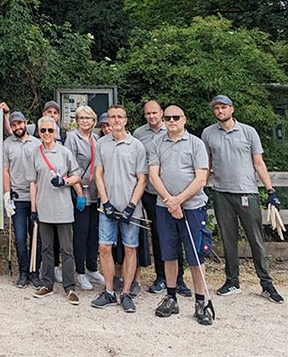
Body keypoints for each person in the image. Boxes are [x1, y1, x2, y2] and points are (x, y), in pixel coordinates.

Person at [201, 95, 284, 303]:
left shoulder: (248, 132)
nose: (220, 111)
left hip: (247, 192)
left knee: (255, 239)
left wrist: (270, 191)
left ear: (232, 109)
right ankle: (232, 281)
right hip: (221, 192)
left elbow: (258, 163)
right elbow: (206, 163)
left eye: (223, 107)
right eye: (216, 108)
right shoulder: (208, 133)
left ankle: (266, 283)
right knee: (228, 240)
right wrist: (202, 188)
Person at [148, 105, 214, 325]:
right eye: (167, 118)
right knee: (169, 254)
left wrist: (179, 200)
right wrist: (169, 200)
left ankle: (200, 302)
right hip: (164, 206)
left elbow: (201, 179)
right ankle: (170, 297)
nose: (171, 121)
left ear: (184, 119)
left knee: (195, 256)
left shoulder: (196, 144)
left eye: (176, 117)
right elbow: (153, 175)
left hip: (193, 207)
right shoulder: (157, 143)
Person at [90, 105, 147, 313]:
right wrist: (105, 202)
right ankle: (109, 291)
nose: (115, 120)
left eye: (119, 117)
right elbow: (99, 174)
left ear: (126, 120)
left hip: (130, 208)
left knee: (130, 248)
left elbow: (142, 179)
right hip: (108, 207)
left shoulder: (137, 146)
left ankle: (126, 293)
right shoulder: (102, 144)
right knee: (105, 247)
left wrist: (131, 206)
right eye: (111, 117)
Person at [133, 101, 190, 296]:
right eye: (148, 113)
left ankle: (179, 279)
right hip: (152, 194)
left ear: (162, 113)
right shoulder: (139, 134)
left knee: (179, 236)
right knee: (158, 236)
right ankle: (161, 277)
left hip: (176, 195)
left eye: (155, 113)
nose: (151, 116)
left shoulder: (173, 129)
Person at [26, 116, 82, 305]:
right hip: (44, 207)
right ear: (39, 132)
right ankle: (47, 284)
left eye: (50, 130)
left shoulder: (64, 152)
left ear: (56, 132)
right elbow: (32, 183)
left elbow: (77, 175)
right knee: (47, 248)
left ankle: (69, 287)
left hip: (63, 207)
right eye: (43, 131)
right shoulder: (35, 153)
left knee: (66, 249)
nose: (47, 134)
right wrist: (33, 209)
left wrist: (64, 182)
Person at [64, 105, 106, 291]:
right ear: (77, 120)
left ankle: (92, 268)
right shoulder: (72, 138)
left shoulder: (96, 138)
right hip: (80, 191)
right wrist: (79, 193)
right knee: (80, 233)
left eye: (88, 118)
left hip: (96, 192)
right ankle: (80, 272)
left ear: (93, 120)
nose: (85, 121)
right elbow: (70, 166)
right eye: (81, 118)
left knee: (93, 232)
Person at [3, 111, 43, 288]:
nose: (17, 127)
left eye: (20, 124)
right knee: (20, 238)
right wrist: (7, 194)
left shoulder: (37, 142)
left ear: (26, 123)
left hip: (36, 197)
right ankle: (24, 272)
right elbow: (5, 170)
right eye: (14, 125)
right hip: (18, 197)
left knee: (36, 238)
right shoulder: (7, 144)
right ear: (10, 126)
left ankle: (35, 272)